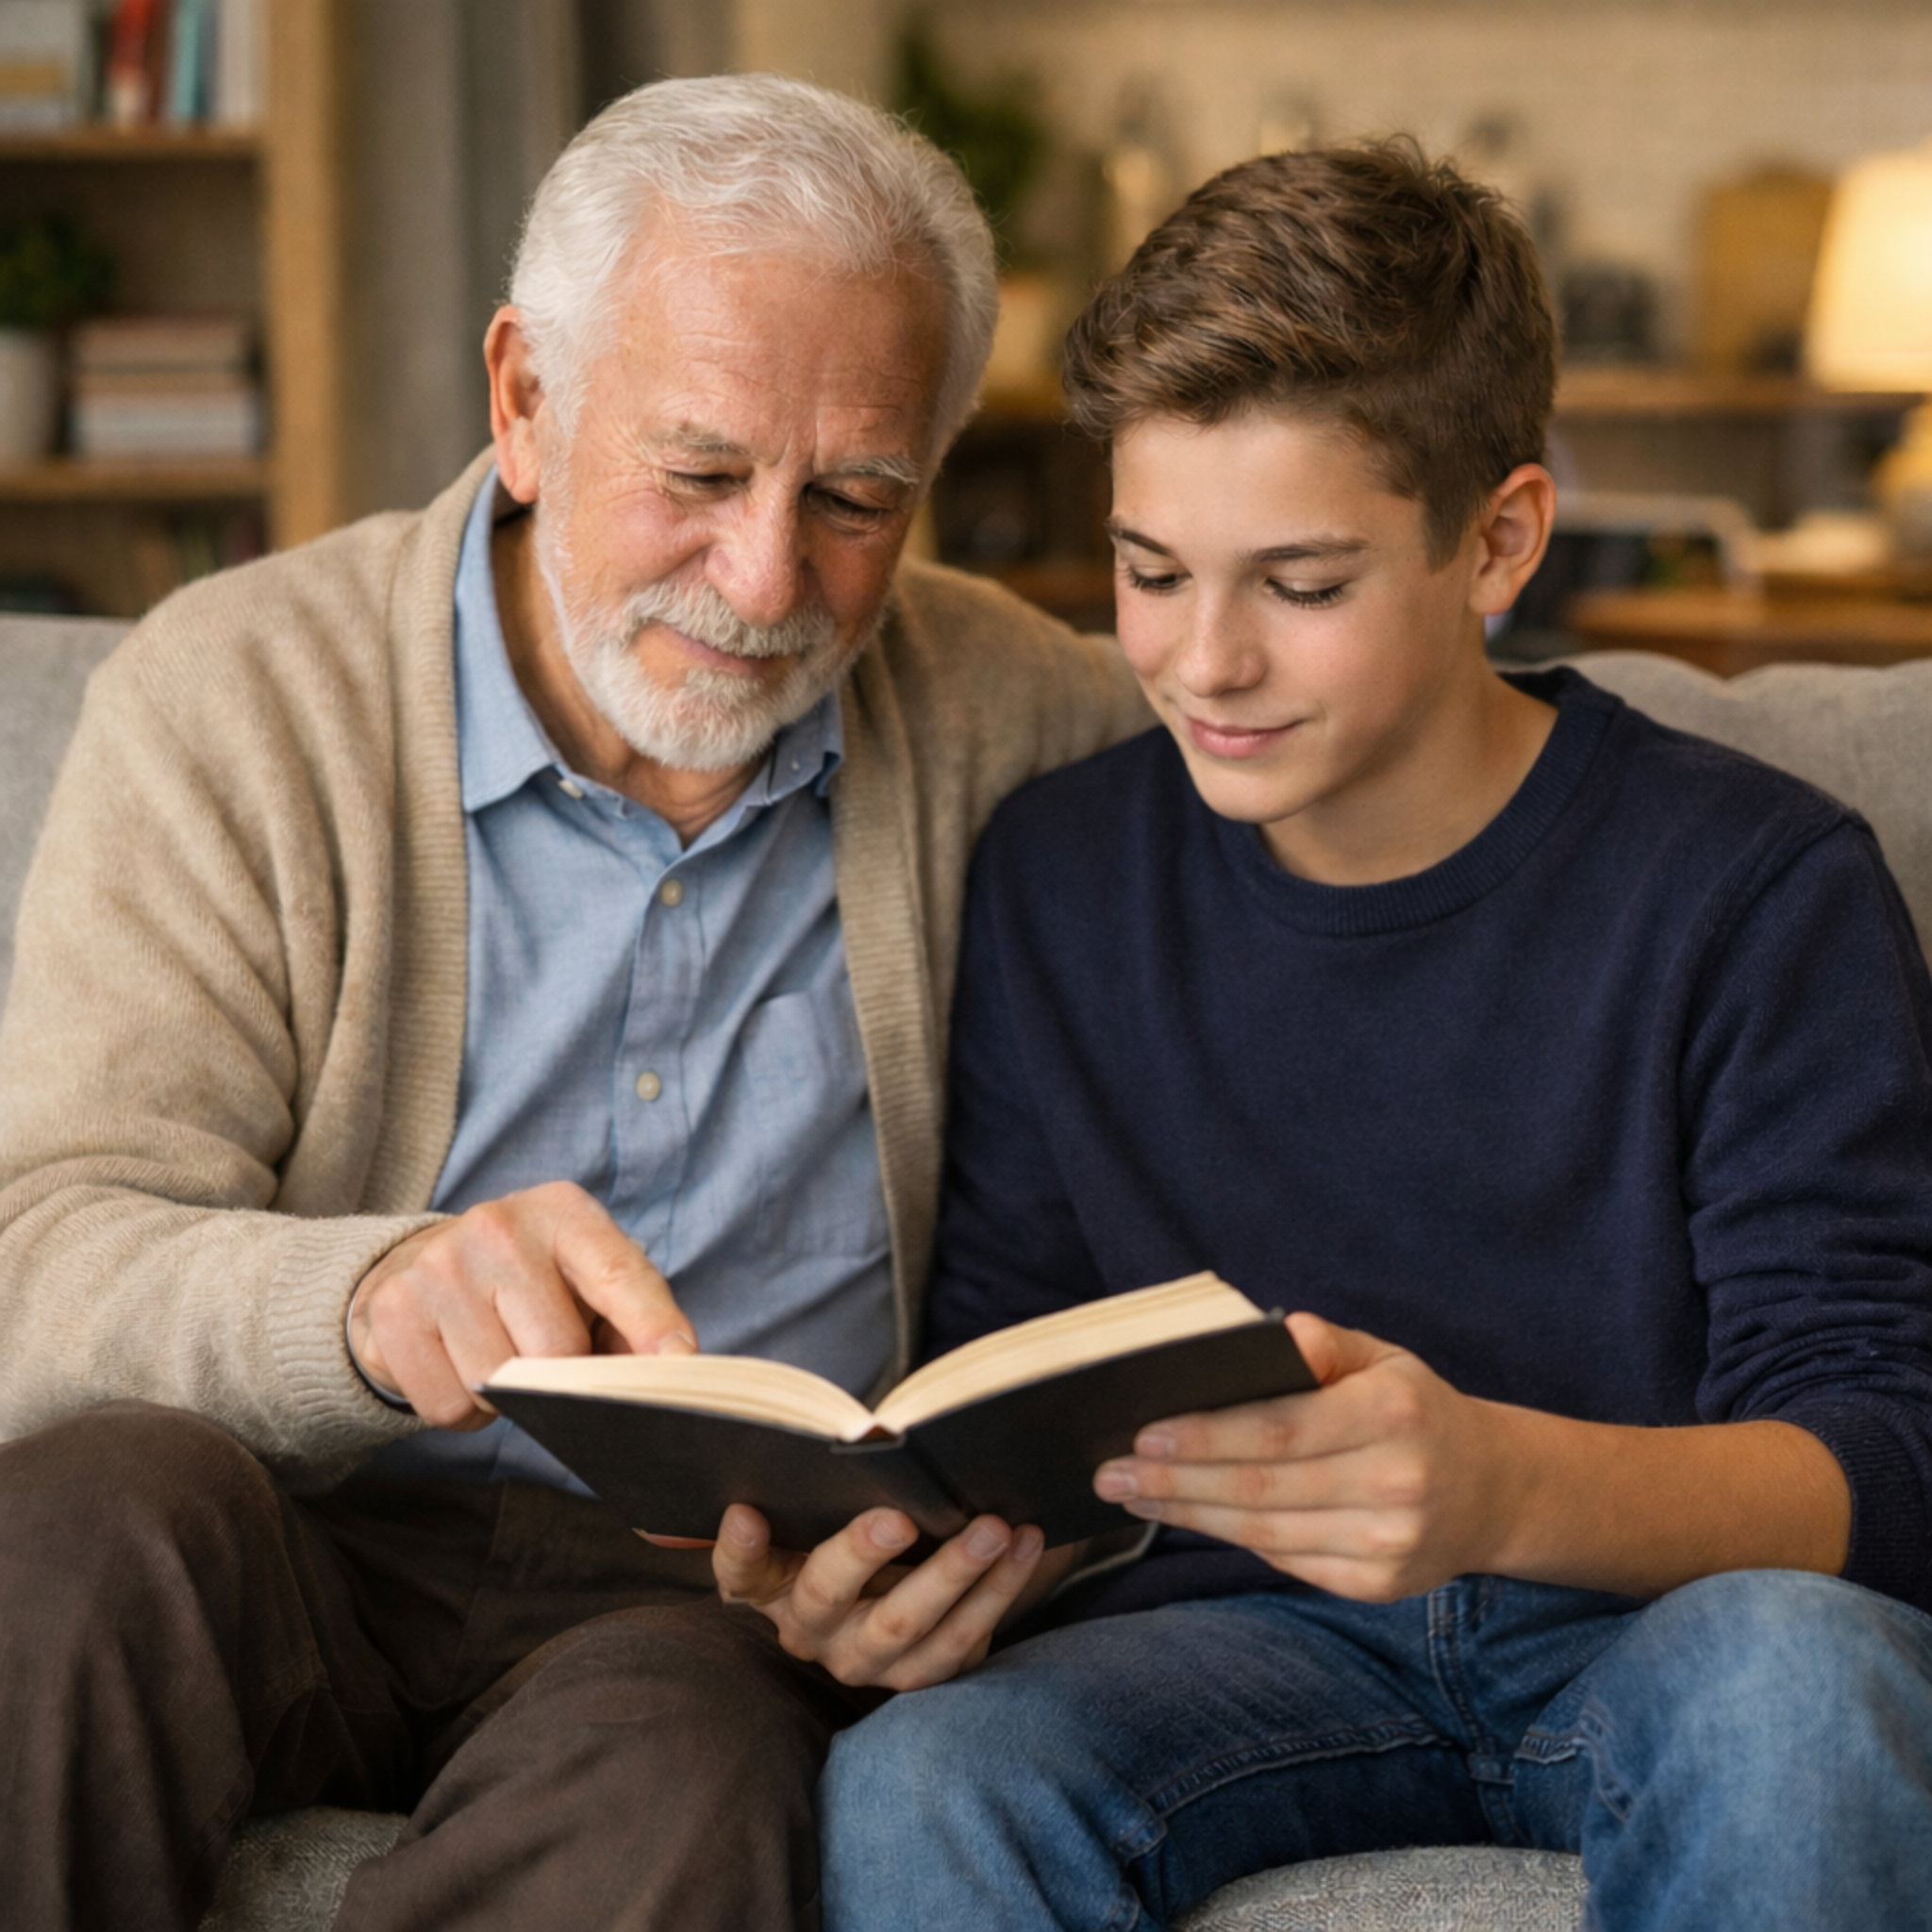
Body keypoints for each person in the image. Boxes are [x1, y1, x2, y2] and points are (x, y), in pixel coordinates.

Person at [0, 75, 1146, 1932]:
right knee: (67, 1536)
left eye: (854, 499)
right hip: (295, 1523)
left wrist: (989, 1543)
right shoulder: (237, 696)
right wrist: (367, 1297)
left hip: (698, 1604)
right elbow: (34, 1265)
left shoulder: (1036, 724)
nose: (768, 579)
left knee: (690, 1775)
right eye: (697, 474)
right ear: (523, 399)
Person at [808, 142, 1932, 1930]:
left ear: (1499, 541)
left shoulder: (1757, 887)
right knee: (927, 1776)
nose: (1203, 662)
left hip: (1663, 1628)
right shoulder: (1058, 876)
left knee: (1801, 1698)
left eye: (1302, 586)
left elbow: (1894, 1456)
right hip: (1226, 1646)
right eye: (1151, 571)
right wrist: (922, 1566)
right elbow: (1007, 1373)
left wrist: (1501, 1484)